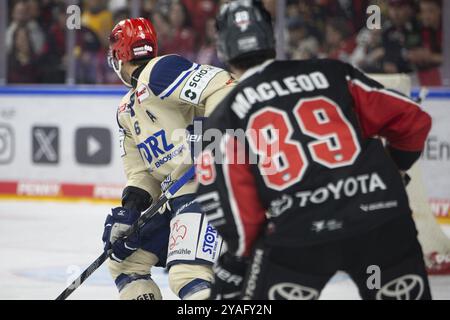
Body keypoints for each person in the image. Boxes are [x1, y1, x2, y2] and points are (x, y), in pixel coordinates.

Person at [196, 0, 433, 300]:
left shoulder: (223, 117)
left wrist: (240, 256)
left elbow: (230, 200)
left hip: (299, 232)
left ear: (223, 48)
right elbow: (412, 120)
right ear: (272, 36)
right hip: (379, 217)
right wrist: (397, 166)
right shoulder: (333, 73)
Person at [102, 17, 235, 300]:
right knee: (124, 263)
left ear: (119, 56)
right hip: (177, 194)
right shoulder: (126, 109)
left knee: (188, 275)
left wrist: (211, 143)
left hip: (208, 186)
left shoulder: (160, 70)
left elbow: (225, 85)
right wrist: (131, 209)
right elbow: (142, 174)